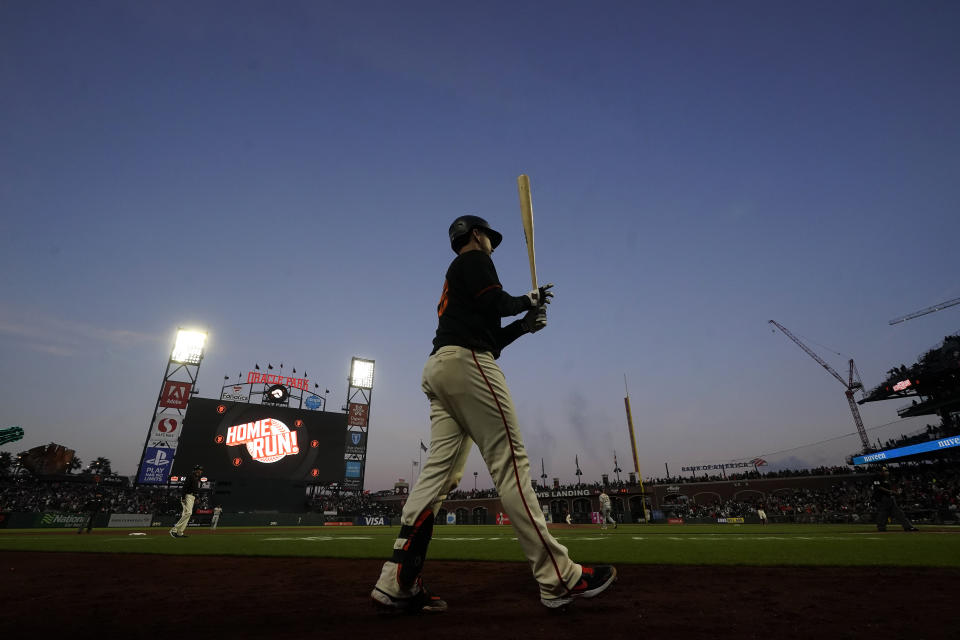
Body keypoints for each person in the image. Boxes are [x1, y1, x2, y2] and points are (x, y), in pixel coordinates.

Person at [370, 215, 617, 613]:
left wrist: (523, 323)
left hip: (442, 367)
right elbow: (495, 304)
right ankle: (559, 577)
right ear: (475, 235)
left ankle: (396, 580)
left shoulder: (459, 273)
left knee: (438, 475)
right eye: (488, 237)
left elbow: (491, 332)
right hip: (467, 363)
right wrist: (527, 300)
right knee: (511, 465)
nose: (491, 244)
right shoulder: (472, 259)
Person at [872, 466, 918, 532]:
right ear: (880, 471)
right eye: (885, 470)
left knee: (898, 513)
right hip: (882, 498)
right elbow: (878, 487)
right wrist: (891, 491)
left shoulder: (887, 478)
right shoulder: (877, 477)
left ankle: (908, 526)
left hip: (889, 498)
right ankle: (881, 528)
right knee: (883, 513)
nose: (887, 472)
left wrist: (894, 492)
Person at [170, 464, 203, 538]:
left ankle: (179, 532)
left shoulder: (196, 478)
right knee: (188, 513)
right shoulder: (190, 476)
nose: (201, 471)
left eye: (201, 470)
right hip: (187, 496)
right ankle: (174, 530)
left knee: (186, 515)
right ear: (196, 470)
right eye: (200, 469)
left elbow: (194, 489)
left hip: (192, 497)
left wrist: (196, 498)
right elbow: (185, 487)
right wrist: (183, 497)